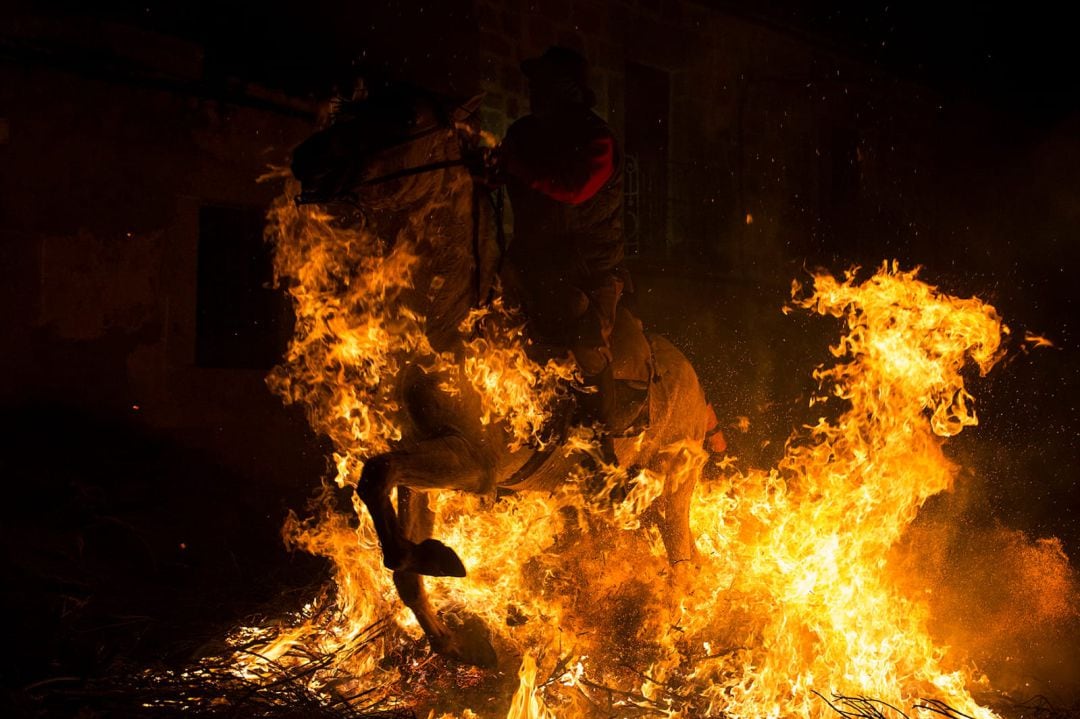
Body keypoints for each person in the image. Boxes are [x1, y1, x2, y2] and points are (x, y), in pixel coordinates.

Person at [495, 46, 627, 466]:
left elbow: (573, 189)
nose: (533, 92)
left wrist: (516, 167)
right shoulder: (521, 134)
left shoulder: (596, 140)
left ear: (566, 89)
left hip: (589, 269)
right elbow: (505, 172)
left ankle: (600, 447)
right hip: (530, 262)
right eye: (533, 85)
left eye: (543, 84)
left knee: (584, 334)